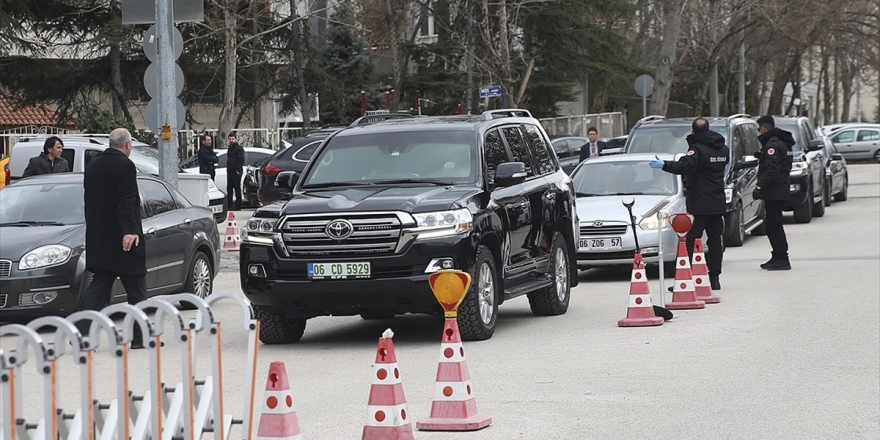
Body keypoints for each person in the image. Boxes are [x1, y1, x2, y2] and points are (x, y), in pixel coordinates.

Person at [78, 128, 150, 349]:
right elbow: (127, 201)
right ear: (127, 145)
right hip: (124, 239)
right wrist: (130, 231)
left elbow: (90, 201)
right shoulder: (125, 166)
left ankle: (81, 335)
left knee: (99, 287)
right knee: (137, 289)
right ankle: (139, 338)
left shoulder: (92, 166)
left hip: (100, 239)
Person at [649, 117, 728, 290]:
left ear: (694, 132)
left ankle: (684, 279)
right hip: (717, 202)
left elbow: (685, 166)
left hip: (701, 203)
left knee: (690, 240)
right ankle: (715, 278)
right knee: (715, 241)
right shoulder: (723, 149)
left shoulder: (697, 149)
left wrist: (664, 165)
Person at [754, 115, 794, 271]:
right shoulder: (782, 142)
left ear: (764, 128)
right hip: (781, 188)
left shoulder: (773, 145)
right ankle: (777, 255)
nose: (759, 132)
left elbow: (772, 169)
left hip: (775, 190)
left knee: (773, 225)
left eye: (759, 129)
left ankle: (781, 257)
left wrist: (760, 187)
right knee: (773, 224)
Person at [225, 133, 246, 210]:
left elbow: (241, 160)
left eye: (232, 139)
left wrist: (237, 170)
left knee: (237, 188)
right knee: (229, 188)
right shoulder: (230, 149)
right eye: (230, 139)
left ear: (235, 139)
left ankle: (238, 205)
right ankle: (229, 205)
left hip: (236, 171)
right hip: (230, 171)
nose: (231, 140)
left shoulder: (239, 148)